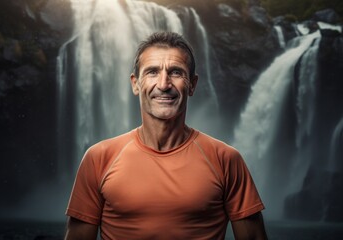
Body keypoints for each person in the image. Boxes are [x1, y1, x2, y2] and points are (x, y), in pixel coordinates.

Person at [64, 31, 268, 240]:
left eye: (176, 72)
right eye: (152, 72)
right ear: (135, 83)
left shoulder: (226, 159)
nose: (163, 84)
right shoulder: (98, 158)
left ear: (192, 85)